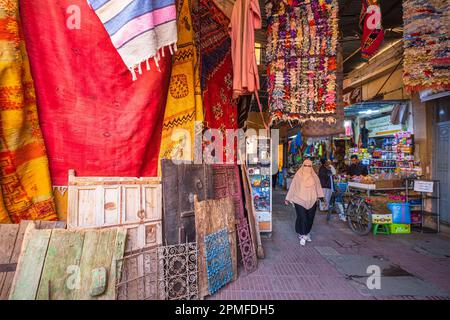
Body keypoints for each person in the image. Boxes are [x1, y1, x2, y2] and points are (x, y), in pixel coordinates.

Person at [285, 159, 324, 246]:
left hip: (312, 200)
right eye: (305, 165)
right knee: (303, 218)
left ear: (311, 167)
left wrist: (321, 197)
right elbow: (293, 187)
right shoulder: (298, 176)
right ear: (303, 166)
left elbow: (318, 187)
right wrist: (288, 198)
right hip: (299, 200)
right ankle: (303, 235)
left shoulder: (314, 176)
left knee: (310, 218)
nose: (307, 167)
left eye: (309, 166)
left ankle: (306, 232)